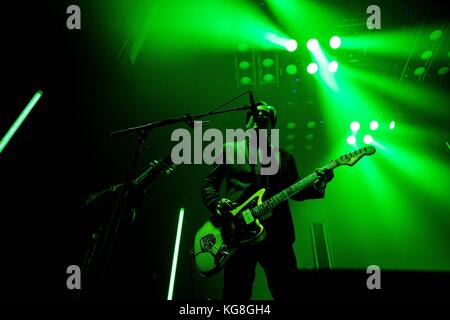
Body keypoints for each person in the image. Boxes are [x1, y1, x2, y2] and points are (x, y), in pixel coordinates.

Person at [201, 102, 334, 300]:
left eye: (265, 115)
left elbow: (295, 190)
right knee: (235, 294)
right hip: (236, 234)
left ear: (272, 126)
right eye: (254, 114)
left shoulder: (284, 157)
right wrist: (218, 203)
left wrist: (319, 184)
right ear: (247, 123)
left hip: (277, 236)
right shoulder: (228, 149)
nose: (259, 116)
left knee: (287, 291)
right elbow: (209, 184)